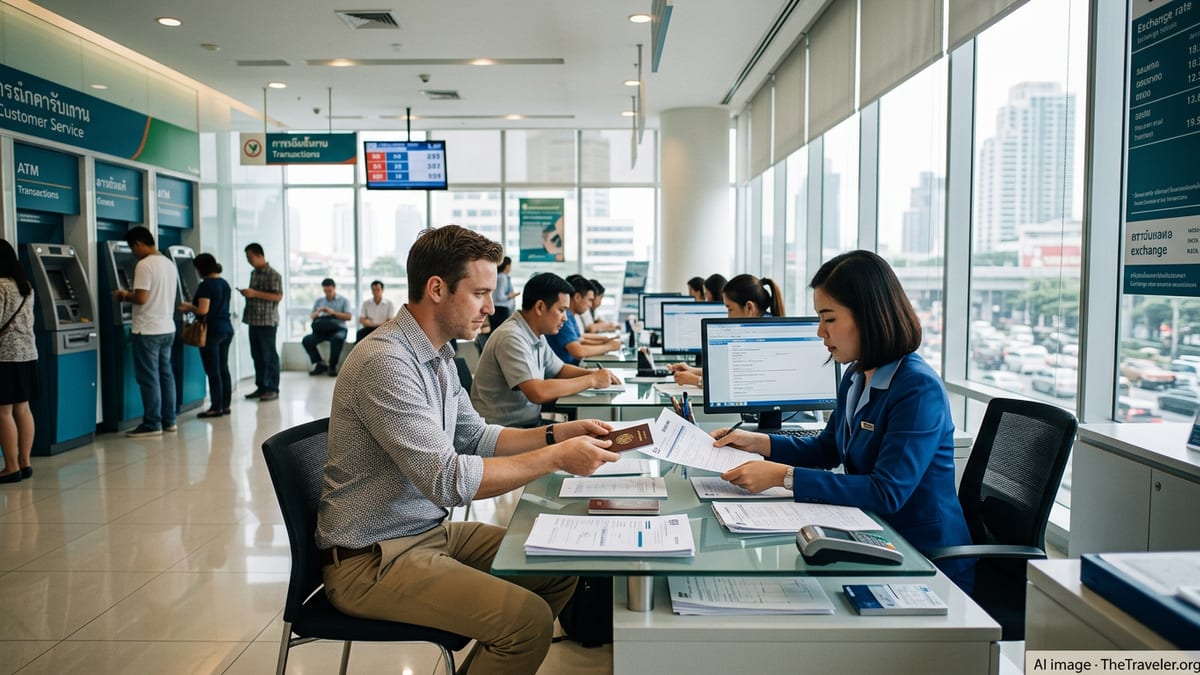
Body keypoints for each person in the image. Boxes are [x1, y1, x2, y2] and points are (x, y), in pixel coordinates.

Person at [316, 224, 619, 674]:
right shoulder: (385, 360)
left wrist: (562, 435)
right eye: (480, 293)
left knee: (558, 568)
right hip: (372, 559)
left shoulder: (438, 357)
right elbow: (447, 480)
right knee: (528, 623)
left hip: (424, 532)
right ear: (437, 288)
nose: (491, 307)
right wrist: (555, 459)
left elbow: (478, 438)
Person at [712, 250, 973, 587]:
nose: (820, 331)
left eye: (829, 318)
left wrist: (783, 476)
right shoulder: (856, 375)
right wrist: (756, 442)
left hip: (926, 560)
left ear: (869, 316)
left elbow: (886, 492)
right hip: (874, 535)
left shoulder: (917, 388)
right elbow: (826, 449)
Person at [472, 272, 621, 427]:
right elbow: (538, 392)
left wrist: (593, 374)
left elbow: (560, 369)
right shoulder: (511, 336)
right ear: (540, 307)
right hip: (505, 430)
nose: (565, 318)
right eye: (562, 310)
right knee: (590, 438)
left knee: (591, 433)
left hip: (525, 423)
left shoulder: (535, 333)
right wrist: (592, 380)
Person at [114, 226, 178, 438]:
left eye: (133, 248)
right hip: (167, 327)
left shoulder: (144, 265)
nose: (133, 253)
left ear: (140, 244)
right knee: (166, 376)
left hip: (147, 330)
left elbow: (141, 298)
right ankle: (170, 421)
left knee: (149, 378)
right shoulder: (169, 263)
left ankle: (152, 424)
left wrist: (124, 294)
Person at [669, 274, 786, 387]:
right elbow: (729, 374)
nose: (728, 317)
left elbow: (738, 385)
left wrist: (696, 380)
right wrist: (692, 370)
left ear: (749, 307)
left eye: (730, 309)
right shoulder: (761, 328)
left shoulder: (761, 338)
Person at [177, 253, 233, 418]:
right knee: (223, 368)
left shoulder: (206, 285)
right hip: (226, 329)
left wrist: (188, 307)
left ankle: (216, 407)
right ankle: (225, 405)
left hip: (211, 331)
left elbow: (203, 310)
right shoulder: (224, 283)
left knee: (213, 370)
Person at [0, 239, 37, 483]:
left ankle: (10, 467)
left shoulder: (0, 286)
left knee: (3, 411)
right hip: (28, 353)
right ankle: (25, 462)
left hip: (4, 355)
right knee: (22, 408)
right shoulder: (25, 286)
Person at [546, 276, 623, 365]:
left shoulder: (570, 315)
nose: (591, 305)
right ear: (577, 297)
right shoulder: (564, 317)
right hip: (568, 367)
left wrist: (606, 341)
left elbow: (580, 339)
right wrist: (609, 346)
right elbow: (578, 351)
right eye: (590, 300)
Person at [240, 243, 283, 401]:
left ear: (259, 255)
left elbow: (277, 296)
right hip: (254, 320)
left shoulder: (273, 274)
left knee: (269, 356)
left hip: (267, 321)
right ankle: (261, 386)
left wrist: (254, 293)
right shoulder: (254, 273)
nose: (249, 261)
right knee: (256, 355)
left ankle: (272, 388)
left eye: (250, 257)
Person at [302, 278, 352, 377]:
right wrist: (319, 312)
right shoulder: (319, 301)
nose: (327, 293)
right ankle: (320, 364)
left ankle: (332, 366)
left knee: (337, 339)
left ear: (334, 288)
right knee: (307, 340)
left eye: (329, 290)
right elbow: (312, 316)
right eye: (325, 291)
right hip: (323, 329)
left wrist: (333, 313)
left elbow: (349, 317)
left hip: (338, 328)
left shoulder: (344, 300)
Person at [489, 256, 519, 331]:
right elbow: (500, 296)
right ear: (507, 266)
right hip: (500, 311)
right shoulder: (502, 278)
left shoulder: (500, 277)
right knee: (502, 332)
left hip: (498, 310)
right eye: (510, 265)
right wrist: (510, 296)